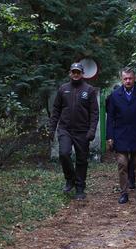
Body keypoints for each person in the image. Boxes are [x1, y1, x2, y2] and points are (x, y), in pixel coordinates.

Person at [49, 62, 99, 200]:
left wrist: (92, 130)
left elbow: (94, 113)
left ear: (82, 74)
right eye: (73, 72)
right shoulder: (63, 89)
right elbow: (56, 110)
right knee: (64, 153)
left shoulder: (89, 90)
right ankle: (70, 178)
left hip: (82, 131)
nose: (76, 74)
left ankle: (80, 188)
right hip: (65, 129)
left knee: (82, 160)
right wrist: (52, 128)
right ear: (70, 73)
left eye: (78, 72)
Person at [106, 67, 136, 204]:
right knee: (122, 163)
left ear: (134, 79)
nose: (128, 81)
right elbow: (110, 118)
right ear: (122, 79)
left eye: (130, 78)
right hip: (120, 134)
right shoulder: (115, 95)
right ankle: (124, 192)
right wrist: (110, 136)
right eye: (125, 78)